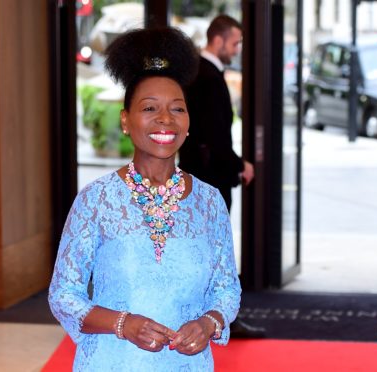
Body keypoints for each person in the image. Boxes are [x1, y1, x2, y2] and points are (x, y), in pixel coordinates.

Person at [48, 27, 241, 371]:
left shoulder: (210, 202)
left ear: (188, 121)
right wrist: (124, 324)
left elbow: (227, 290)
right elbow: (63, 295)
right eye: (149, 107)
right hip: (112, 362)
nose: (165, 119)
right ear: (126, 120)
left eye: (177, 109)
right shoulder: (96, 200)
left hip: (187, 364)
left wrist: (209, 323)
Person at [178, 15, 265, 339]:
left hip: (199, 176)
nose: (238, 48)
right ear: (218, 40)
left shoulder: (197, 74)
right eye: (236, 42)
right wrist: (239, 165)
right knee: (215, 252)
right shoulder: (208, 77)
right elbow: (214, 136)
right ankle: (222, 318)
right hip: (210, 178)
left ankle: (212, 316)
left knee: (204, 249)